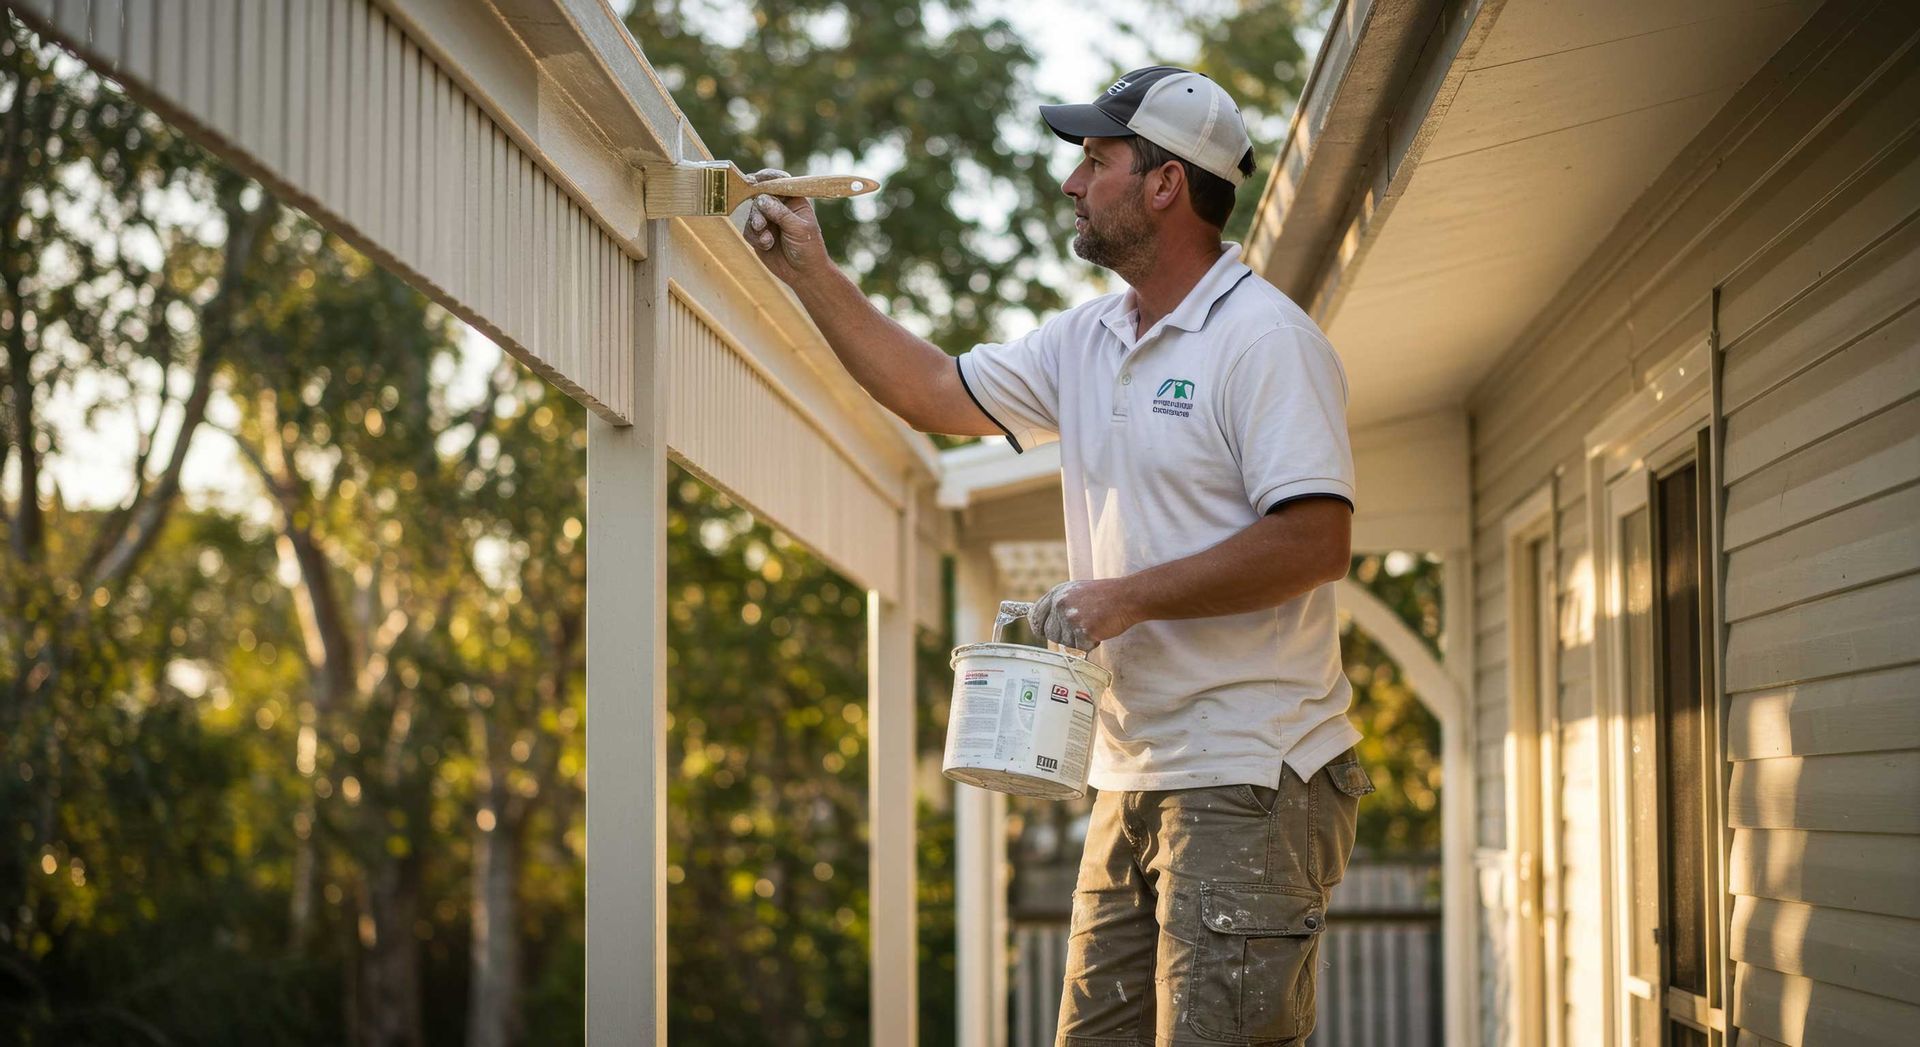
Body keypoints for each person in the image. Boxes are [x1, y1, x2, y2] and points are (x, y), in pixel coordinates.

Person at [744, 65, 1374, 1046]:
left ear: (1165, 183)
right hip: (1130, 771)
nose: (1072, 182)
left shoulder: (1263, 341)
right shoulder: (1088, 339)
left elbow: (1315, 538)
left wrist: (1126, 597)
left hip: (1252, 770)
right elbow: (935, 392)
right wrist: (810, 273)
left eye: (1096, 160)